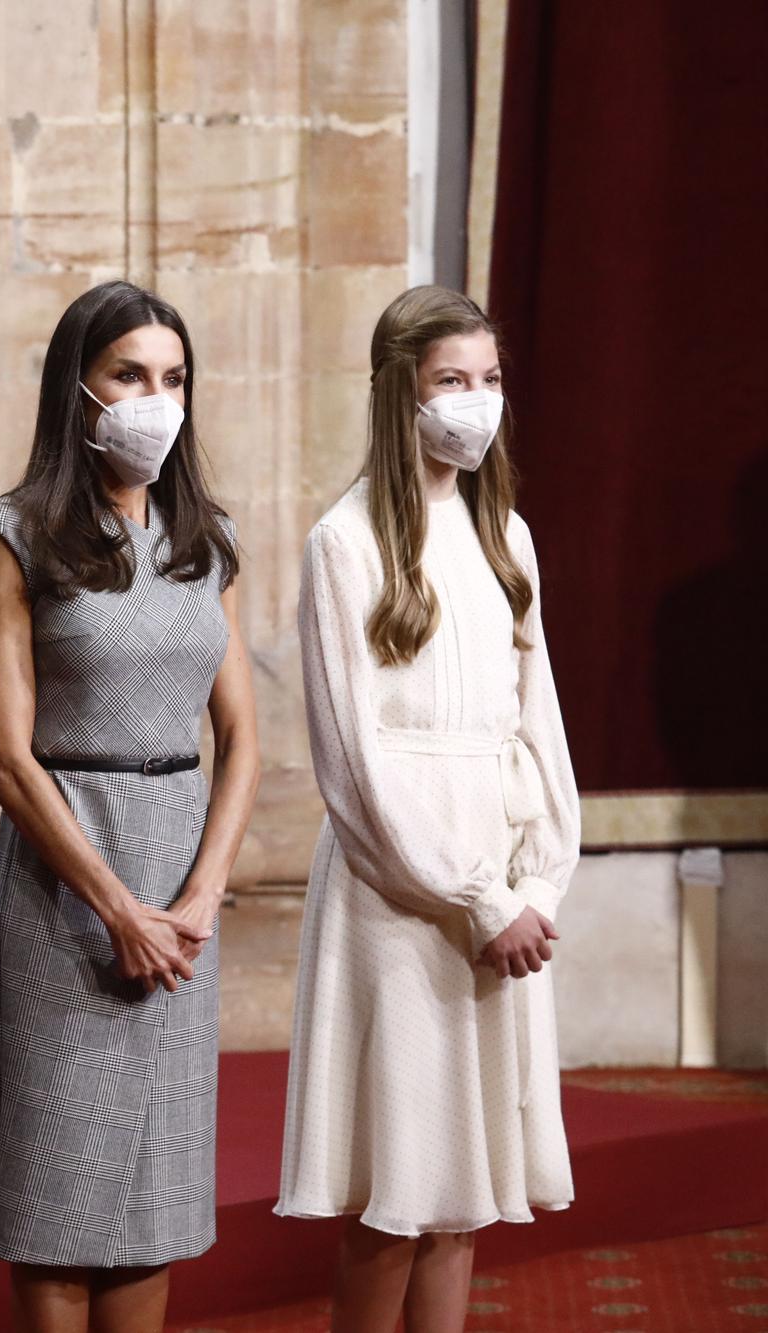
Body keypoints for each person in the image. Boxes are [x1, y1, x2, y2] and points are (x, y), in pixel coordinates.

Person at [276, 285, 580, 1332]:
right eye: (450, 381)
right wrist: (470, 897)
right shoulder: (344, 541)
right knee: (396, 1192)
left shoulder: (507, 536)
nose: (474, 401)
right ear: (397, 396)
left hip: (499, 884)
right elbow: (353, 765)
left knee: (462, 1199)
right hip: (400, 897)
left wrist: (535, 877)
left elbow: (537, 727)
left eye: (488, 380)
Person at [0, 280, 260, 1333]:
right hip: (64, 887)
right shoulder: (11, 535)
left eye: (172, 378)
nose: (155, 399)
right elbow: (3, 755)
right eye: (129, 375)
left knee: (154, 1194)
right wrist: (115, 908)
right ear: (77, 391)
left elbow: (242, 737)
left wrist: (200, 895)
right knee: (57, 1202)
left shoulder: (206, 538)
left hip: (182, 887)